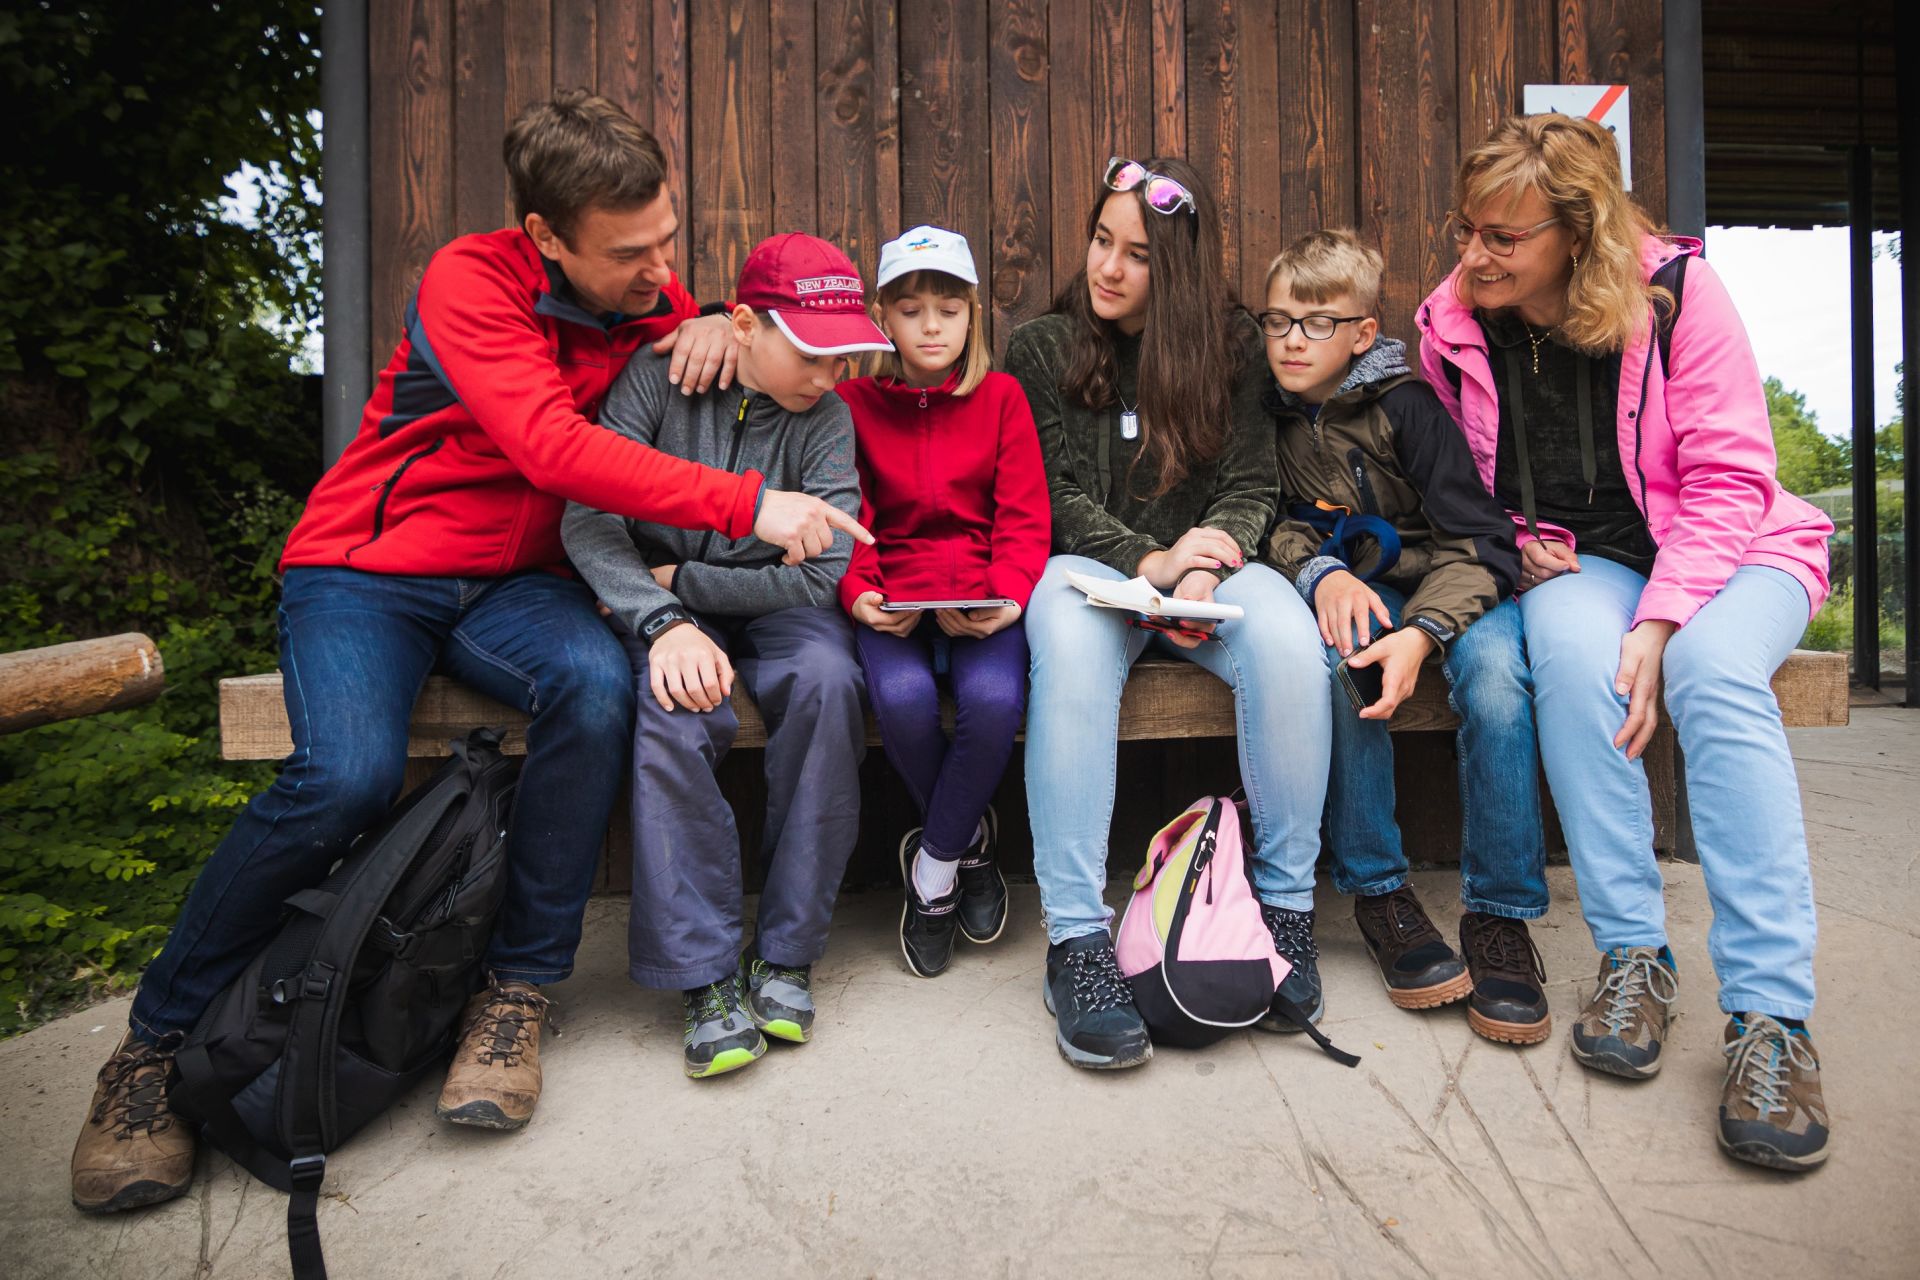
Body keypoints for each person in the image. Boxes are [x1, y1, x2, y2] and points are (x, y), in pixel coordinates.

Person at [69, 92, 870, 1212]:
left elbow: (722, 338)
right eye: (631, 253)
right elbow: (551, 447)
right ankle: (151, 1047)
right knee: (343, 776)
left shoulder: (653, 302)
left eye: (669, 241)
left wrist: (707, 321)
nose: (659, 271)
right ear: (547, 237)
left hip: (516, 588)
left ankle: (515, 994)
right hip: (372, 567)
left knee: (593, 685)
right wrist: (747, 502)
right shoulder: (470, 281)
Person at [1416, 113, 1837, 1170]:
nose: (1474, 255)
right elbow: (1459, 477)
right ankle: (1634, 955)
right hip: (1591, 559)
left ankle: (1771, 1013)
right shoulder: (1457, 325)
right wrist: (1515, 537)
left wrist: (1661, 620)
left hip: (1739, 547)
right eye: (1467, 229)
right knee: (1566, 658)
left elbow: (1732, 479)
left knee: (1709, 671)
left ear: (1578, 232)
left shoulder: (1681, 296)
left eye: (1502, 237)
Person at [1005, 157, 1330, 1071]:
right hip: (1094, 571)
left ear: (1177, 267)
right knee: (1068, 644)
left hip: (1208, 568)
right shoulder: (1041, 348)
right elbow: (1050, 494)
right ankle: (1078, 941)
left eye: (1138, 254)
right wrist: (1149, 563)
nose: (1108, 267)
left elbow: (1251, 482)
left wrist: (1208, 565)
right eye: (1101, 241)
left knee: (1288, 639)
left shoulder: (1231, 346)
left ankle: (1287, 912)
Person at [563, 232, 887, 1079]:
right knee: (675, 705)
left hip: (775, 610)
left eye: (842, 356)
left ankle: (786, 952)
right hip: (666, 610)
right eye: (812, 354)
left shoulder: (827, 419)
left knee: (827, 682)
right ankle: (703, 974)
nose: (830, 376)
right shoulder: (656, 382)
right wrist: (662, 610)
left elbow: (820, 573)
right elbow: (589, 516)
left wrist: (688, 577)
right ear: (744, 326)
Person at [1260, 229, 1551, 1045]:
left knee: (1498, 683)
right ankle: (1380, 893)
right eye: (1278, 321)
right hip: (1363, 586)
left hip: (1456, 582)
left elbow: (1480, 541)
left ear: (1362, 333)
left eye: (1318, 323)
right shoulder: (1268, 416)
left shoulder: (1406, 407)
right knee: (1345, 665)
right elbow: (1267, 523)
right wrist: (1323, 573)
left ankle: (1499, 915)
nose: (1292, 340)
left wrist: (1425, 631)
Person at [837, 225, 1051, 979]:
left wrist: (1011, 597)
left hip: (981, 599)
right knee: (900, 702)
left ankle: (931, 873)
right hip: (894, 600)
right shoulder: (853, 403)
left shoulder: (1002, 398)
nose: (932, 326)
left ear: (972, 315)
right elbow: (847, 512)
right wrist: (860, 594)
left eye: (949, 310)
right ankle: (969, 848)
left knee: (993, 703)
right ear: (882, 317)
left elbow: (1023, 516)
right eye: (911, 310)